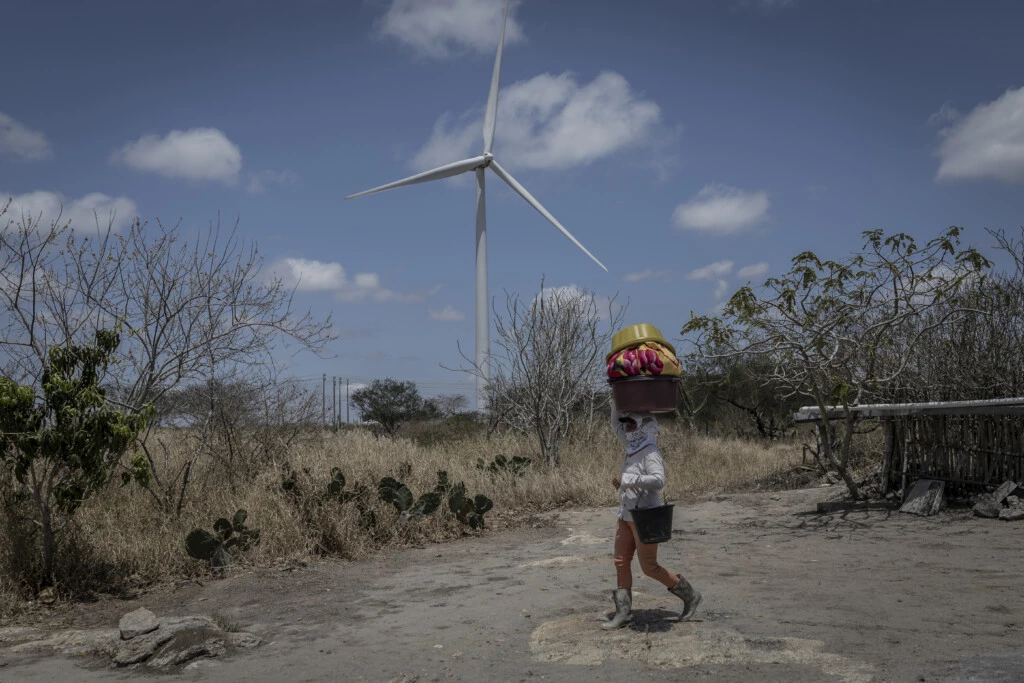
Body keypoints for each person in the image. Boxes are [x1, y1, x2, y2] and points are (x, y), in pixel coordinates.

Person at [601, 401, 702, 630]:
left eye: (631, 423)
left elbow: (659, 481)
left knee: (649, 567)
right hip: (625, 515)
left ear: (645, 427)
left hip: (645, 518)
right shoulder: (631, 446)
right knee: (620, 561)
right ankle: (623, 613)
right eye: (626, 423)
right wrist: (616, 398)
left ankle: (691, 595)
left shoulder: (650, 451)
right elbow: (614, 423)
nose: (626, 427)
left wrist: (627, 480)